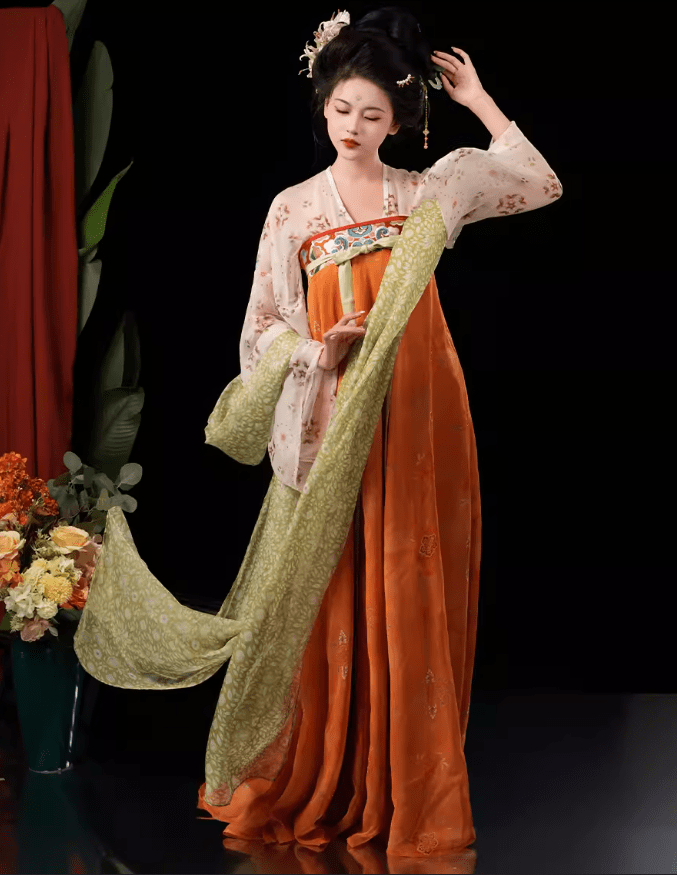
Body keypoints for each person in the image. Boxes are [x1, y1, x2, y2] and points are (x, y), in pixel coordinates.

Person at [74, 5, 562, 861]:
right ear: (322, 106)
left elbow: (538, 181)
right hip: (335, 408)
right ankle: (328, 771)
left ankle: (407, 788)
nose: (353, 127)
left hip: (420, 410)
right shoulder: (293, 208)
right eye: (342, 110)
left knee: (407, 581)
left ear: (398, 122)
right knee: (331, 589)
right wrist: (315, 351)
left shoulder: (429, 191)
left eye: (373, 115)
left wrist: (479, 102)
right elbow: (262, 326)